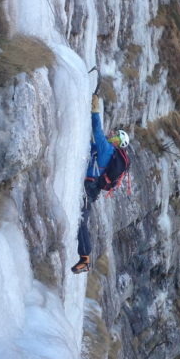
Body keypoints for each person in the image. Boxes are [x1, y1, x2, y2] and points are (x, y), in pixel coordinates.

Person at [72, 92, 131, 274]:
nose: (111, 134)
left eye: (115, 135)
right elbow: (91, 145)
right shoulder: (105, 149)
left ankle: (85, 258)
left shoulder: (108, 150)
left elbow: (97, 130)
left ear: (117, 142)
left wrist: (95, 110)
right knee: (80, 219)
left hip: (89, 189)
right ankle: (85, 257)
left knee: (81, 221)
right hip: (91, 188)